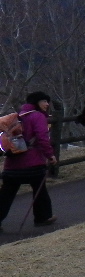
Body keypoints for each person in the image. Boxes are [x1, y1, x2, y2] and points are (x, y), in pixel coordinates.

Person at [0, 91, 58, 231]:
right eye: (44, 101)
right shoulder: (38, 116)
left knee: (6, 195)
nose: (47, 104)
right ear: (36, 102)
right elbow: (43, 138)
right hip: (33, 162)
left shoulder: (19, 116)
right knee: (40, 190)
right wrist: (50, 155)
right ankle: (42, 217)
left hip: (12, 164)